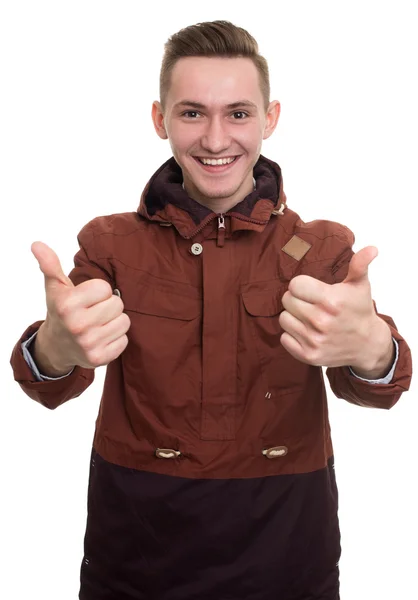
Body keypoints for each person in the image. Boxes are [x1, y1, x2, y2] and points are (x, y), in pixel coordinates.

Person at [10, 19, 412, 600]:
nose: (217, 139)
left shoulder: (322, 247)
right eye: (193, 113)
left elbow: (378, 387)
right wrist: (52, 349)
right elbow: (50, 384)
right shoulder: (109, 244)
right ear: (160, 119)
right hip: (136, 551)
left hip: (287, 548)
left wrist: (375, 350)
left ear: (270, 119)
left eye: (240, 114)